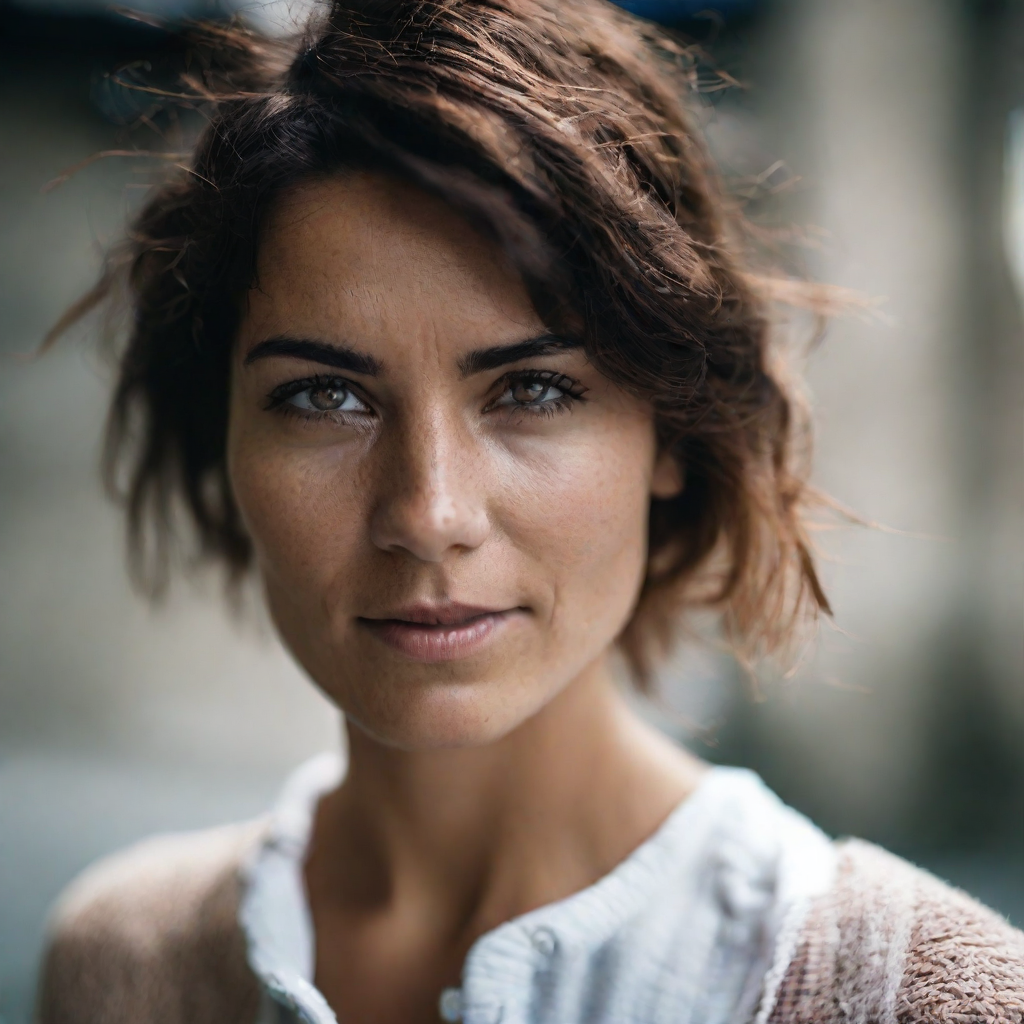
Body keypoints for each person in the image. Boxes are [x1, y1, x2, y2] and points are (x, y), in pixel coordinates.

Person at [35, 2, 1024, 1022]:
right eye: (325, 397)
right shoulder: (122, 960)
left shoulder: (922, 996)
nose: (429, 511)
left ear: (672, 435)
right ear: (225, 441)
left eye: (534, 391)